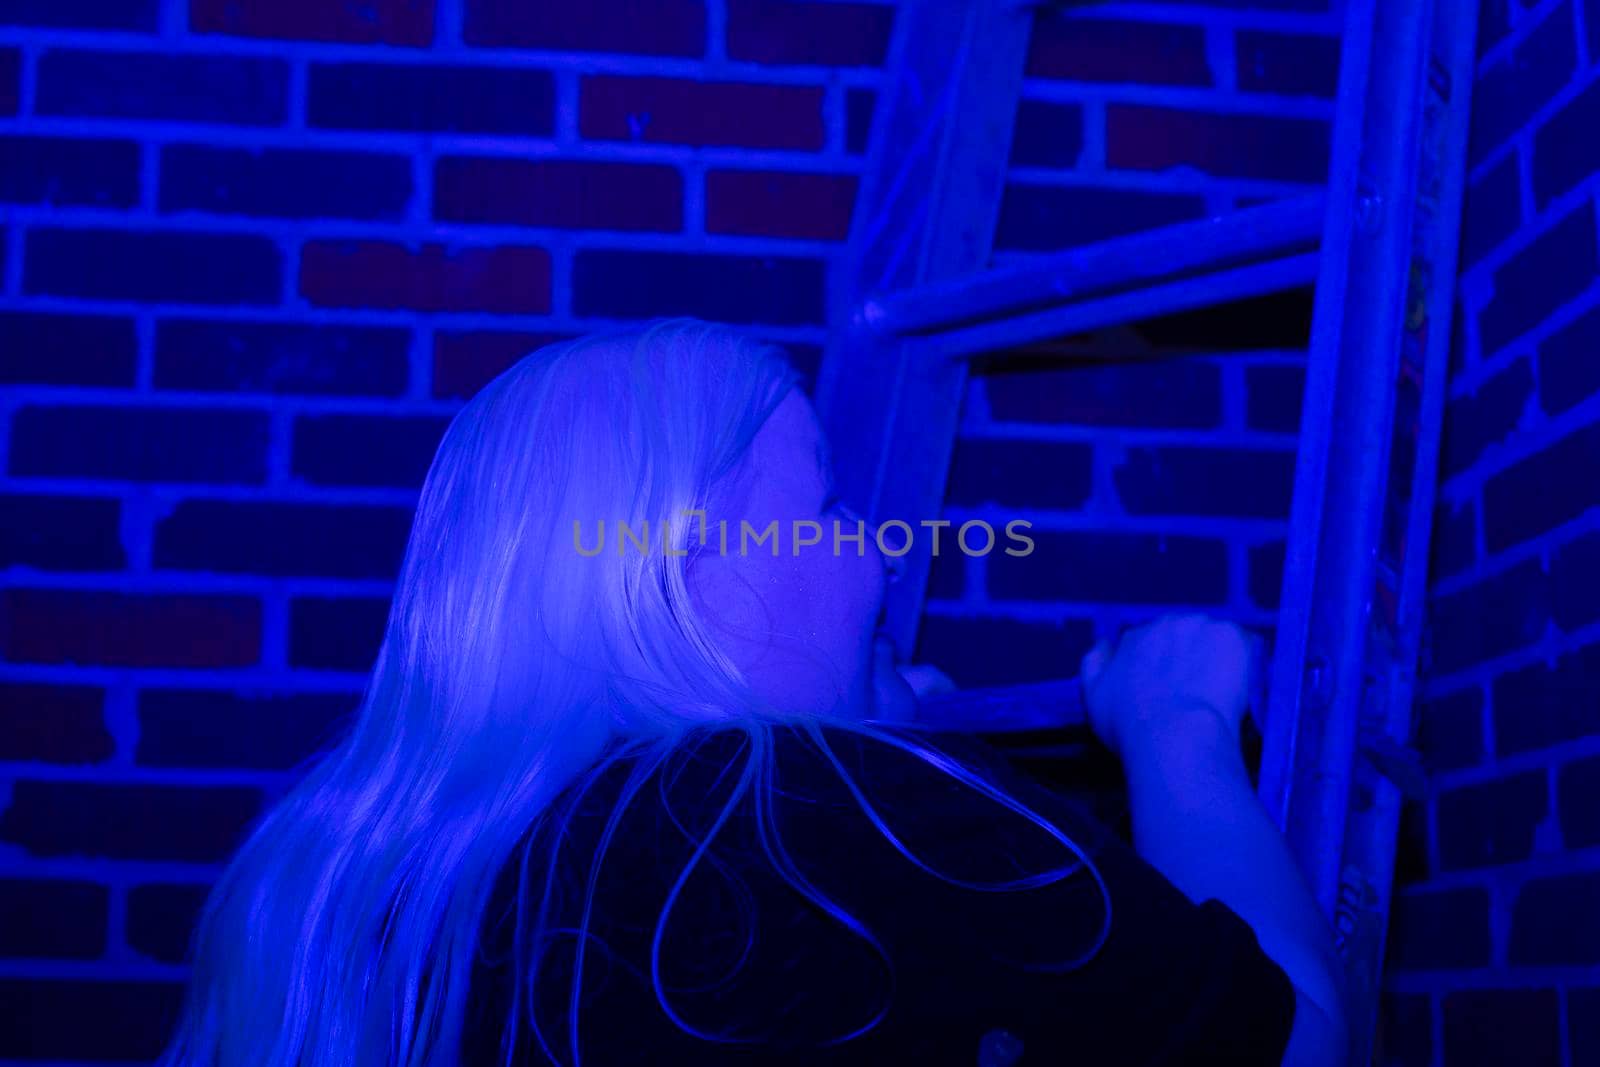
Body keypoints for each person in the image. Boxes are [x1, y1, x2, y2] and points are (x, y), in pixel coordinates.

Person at [158, 318, 1346, 1066]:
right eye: (830, 510)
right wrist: (1180, 732)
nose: (878, 554)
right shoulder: (794, 809)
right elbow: (1301, 1043)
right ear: (678, 568)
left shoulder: (358, 878)